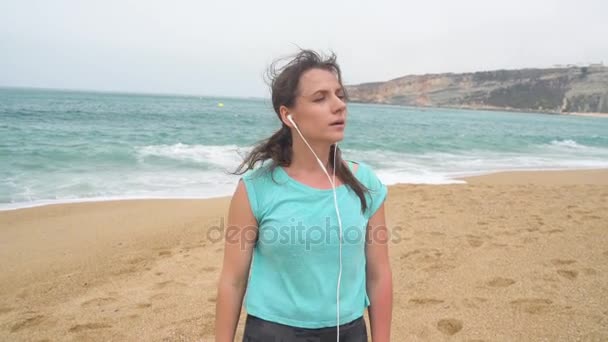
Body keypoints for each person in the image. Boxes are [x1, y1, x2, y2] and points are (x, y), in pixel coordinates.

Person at [215, 49, 392, 342]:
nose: (339, 106)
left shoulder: (366, 184)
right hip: (271, 333)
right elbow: (232, 281)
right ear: (288, 114)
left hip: (348, 332)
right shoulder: (256, 188)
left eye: (339, 94)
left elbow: (379, 275)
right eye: (321, 98)